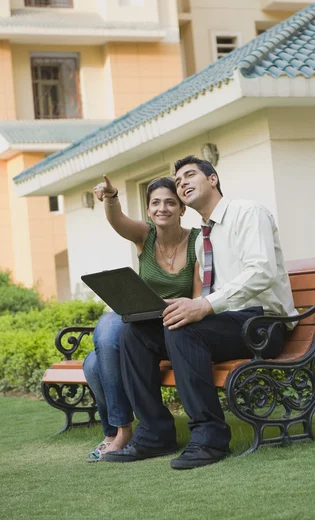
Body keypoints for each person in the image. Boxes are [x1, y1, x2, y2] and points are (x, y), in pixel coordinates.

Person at [105, 156, 298, 469]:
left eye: (189, 175)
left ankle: (210, 437)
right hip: (228, 323)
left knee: (183, 329)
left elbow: (262, 271)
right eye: (178, 181)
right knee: (135, 332)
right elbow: (205, 294)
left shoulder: (247, 213)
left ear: (212, 179)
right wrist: (174, 307)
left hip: (264, 325)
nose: (182, 183)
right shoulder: (204, 237)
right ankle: (155, 433)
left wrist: (205, 306)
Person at [83, 174, 202, 462]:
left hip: (172, 326)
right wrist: (111, 197)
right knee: (95, 358)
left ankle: (116, 432)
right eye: (156, 203)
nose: (163, 208)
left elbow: (198, 299)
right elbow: (117, 220)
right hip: (138, 326)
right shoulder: (145, 236)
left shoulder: (197, 241)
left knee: (97, 359)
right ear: (148, 210)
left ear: (182, 208)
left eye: (171, 203)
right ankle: (120, 430)